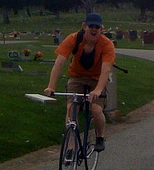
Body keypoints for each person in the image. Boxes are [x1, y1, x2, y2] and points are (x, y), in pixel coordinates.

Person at [44, 13, 115, 152]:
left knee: (95, 109)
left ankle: (100, 137)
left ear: (101, 29)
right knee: (71, 109)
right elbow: (59, 62)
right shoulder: (73, 39)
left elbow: (106, 70)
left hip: (97, 79)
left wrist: (98, 90)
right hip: (77, 77)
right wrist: (51, 86)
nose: (94, 30)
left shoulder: (106, 44)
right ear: (84, 26)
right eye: (91, 26)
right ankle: (71, 146)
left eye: (97, 27)